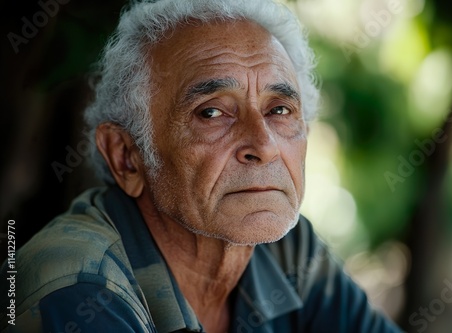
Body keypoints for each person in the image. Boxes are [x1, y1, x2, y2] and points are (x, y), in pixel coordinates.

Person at [1, 0, 403, 332]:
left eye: (279, 110)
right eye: (211, 113)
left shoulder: (287, 251)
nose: (263, 145)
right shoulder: (77, 288)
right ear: (126, 156)